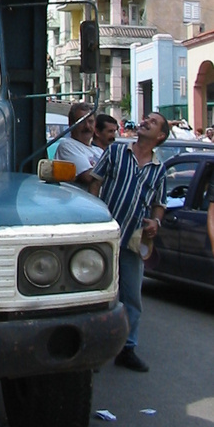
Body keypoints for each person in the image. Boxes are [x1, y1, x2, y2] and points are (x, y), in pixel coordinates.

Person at [89, 111, 169, 372]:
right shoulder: (115, 152)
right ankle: (92, 351)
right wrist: (94, 218)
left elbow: (159, 204)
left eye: (153, 122)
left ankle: (128, 348)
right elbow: (95, 184)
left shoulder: (159, 169)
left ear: (160, 136)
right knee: (97, 294)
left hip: (134, 241)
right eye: (146, 118)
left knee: (131, 297)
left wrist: (155, 223)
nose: (145, 121)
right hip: (105, 237)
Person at [54, 101, 98, 187]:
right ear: (71, 124)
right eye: (82, 121)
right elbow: (88, 177)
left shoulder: (98, 150)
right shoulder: (67, 146)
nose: (87, 126)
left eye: (90, 121)